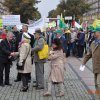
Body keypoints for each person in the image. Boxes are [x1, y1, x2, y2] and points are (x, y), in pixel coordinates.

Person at [82, 27, 100, 100]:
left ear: (99, 33)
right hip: (95, 67)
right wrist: (83, 63)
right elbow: (89, 54)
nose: (93, 33)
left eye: (95, 32)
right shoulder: (93, 43)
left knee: (99, 84)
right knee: (96, 84)